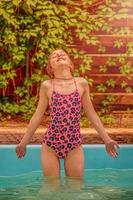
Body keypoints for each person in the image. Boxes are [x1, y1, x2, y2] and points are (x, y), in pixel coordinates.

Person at [16, 49, 120, 181]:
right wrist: (23, 143)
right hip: (51, 144)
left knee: (75, 187)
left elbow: (91, 114)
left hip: (74, 144)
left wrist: (107, 140)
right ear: (50, 68)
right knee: (51, 188)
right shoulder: (47, 86)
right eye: (54, 56)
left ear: (70, 64)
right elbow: (37, 116)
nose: (59, 55)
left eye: (62, 54)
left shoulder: (81, 83)